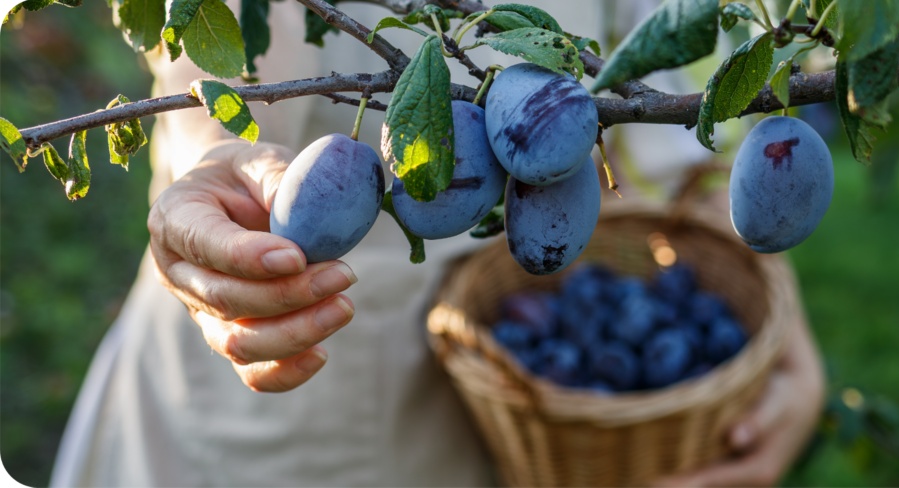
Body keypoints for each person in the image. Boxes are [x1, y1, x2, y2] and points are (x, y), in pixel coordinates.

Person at [50, 1, 825, 486]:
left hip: (513, 374)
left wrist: (782, 328)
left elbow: (667, 99)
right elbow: (244, 35)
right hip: (290, 375)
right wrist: (216, 153)